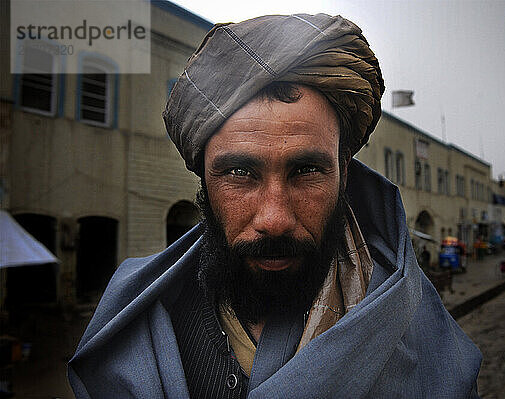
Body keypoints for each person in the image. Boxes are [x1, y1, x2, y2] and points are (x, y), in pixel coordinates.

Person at [68, 14, 481, 398]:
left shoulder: (416, 329)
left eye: (305, 171)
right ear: (204, 182)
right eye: (239, 173)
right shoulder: (141, 321)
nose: (275, 219)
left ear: (344, 174)